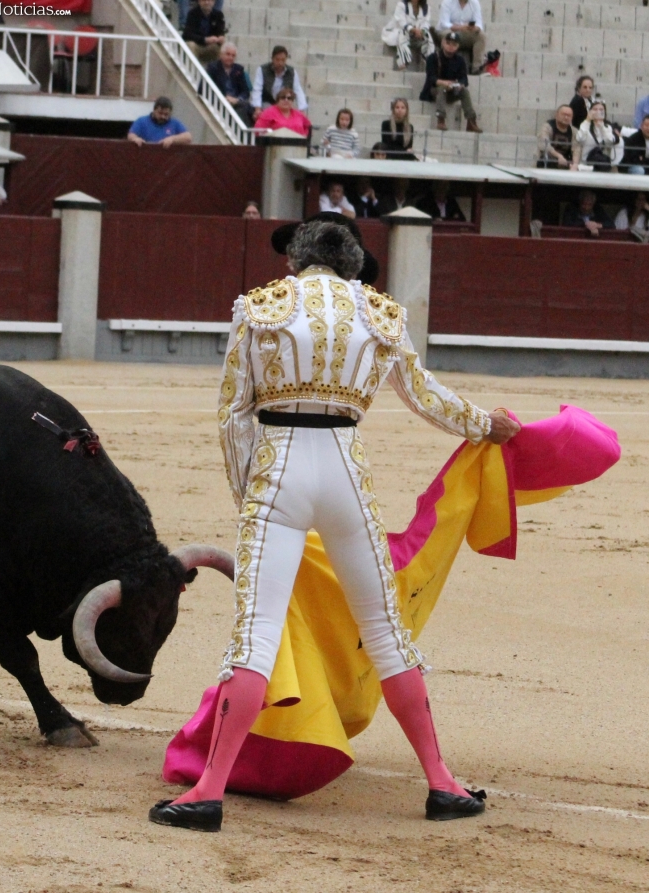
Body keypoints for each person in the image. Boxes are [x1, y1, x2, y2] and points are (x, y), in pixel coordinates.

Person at [147, 217, 520, 833]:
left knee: (256, 636)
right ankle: (442, 785)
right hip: (347, 472)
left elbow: (233, 414)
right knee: (386, 633)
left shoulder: (260, 306)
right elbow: (424, 394)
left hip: (279, 470)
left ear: (295, 262)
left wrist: (253, 502)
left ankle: (208, 792)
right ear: (354, 266)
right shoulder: (381, 313)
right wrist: (485, 424)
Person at [420, 31, 482, 133]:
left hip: (451, 90)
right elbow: (431, 78)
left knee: (465, 91)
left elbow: (464, 79)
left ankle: (471, 121)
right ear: (443, 43)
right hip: (434, 90)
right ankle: (441, 119)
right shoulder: (433, 58)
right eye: (448, 43)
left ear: (458, 46)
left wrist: (458, 85)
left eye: (454, 44)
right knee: (441, 89)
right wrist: (444, 83)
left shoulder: (460, 60)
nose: (450, 47)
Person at [251, 46, 308, 121]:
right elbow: (257, 89)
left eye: (283, 60)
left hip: (284, 103)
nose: (280, 63)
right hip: (267, 102)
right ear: (272, 59)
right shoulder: (262, 70)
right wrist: (257, 108)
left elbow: (298, 90)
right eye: (277, 60)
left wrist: (302, 110)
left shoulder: (292, 72)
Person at [206, 42, 254, 127]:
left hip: (236, 102)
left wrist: (237, 99)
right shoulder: (212, 68)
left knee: (244, 108)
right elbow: (205, 88)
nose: (230, 57)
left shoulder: (238, 69)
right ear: (221, 55)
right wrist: (224, 98)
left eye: (233, 55)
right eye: (228, 54)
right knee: (242, 110)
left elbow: (245, 91)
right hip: (220, 101)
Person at [435, 0, 487, 74]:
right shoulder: (447, 2)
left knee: (481, 36)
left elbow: (479, 24)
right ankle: (445, 67)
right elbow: (444, 23)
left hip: (465, 32)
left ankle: (477, 68)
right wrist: (460, 27)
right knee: (449, 35)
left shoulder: (475, 3)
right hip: (447, 30)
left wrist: (474, 28)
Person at [381, 0, 434, 70]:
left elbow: (426, 23)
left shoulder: (426, 8)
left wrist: (422, 31)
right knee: (403, 33)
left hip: (417, 35)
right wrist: (413, 30)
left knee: (428, 36)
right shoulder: (401, 5)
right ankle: (404, 61)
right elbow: (401, 22)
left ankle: (430, 61)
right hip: (397, 32)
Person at [576, 100, 622, 171]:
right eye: (595, 109)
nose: (598, 112)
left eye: (601, 110)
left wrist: (602, 127)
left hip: (602, 161)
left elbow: (610, 141)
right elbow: (580, 138)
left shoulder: (607, 127)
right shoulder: (585, 125)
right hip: (586, 161)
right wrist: (588, 120)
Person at [128, 97, 192, 147]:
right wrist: (136, 139)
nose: (163, 117)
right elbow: (131, 135)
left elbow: (188, 137)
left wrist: (172, 139)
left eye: (166, 114)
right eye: (160, 113)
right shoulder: (141, 121)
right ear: (154, 110)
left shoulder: (175, 123)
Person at [536, 105, 581, 170]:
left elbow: (576, 149)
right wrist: (559, 156)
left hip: (566, 162)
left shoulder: (574, 131)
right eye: (563, 114)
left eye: (569, 115)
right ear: (556, 115)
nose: (566, 117)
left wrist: (575, 164)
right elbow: (544, 145)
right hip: (548, 159)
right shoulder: (547, 127)